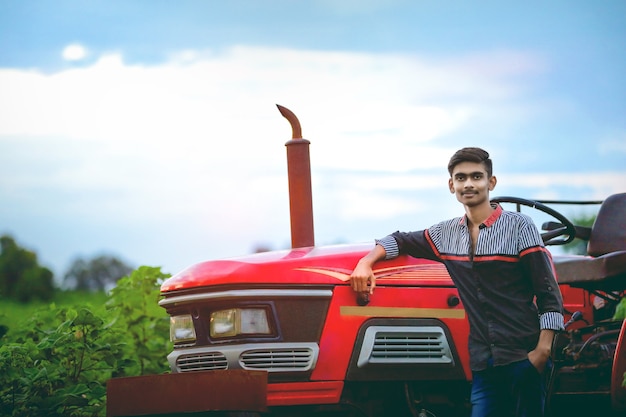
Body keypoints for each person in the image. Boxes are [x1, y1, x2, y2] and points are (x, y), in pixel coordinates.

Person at [350, 147, 564, 417]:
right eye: (461, 178)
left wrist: (542, 352)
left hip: (525, 355)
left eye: (477, 176)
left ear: (491, 182)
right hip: (483, 361)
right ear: (452, 185)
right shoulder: (446, 234)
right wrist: (365, 262)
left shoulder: (520, 226)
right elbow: (399, 239)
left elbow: (548, 292)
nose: (469, 184)